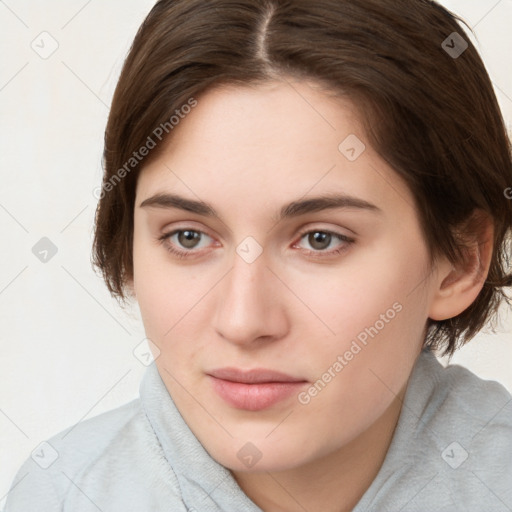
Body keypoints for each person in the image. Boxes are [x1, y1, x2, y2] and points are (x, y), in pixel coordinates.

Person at [4, 0, 512, 510]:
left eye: (321, 239)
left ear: (461, 261)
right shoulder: (60, 495)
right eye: (188, 237)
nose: (243, 322)